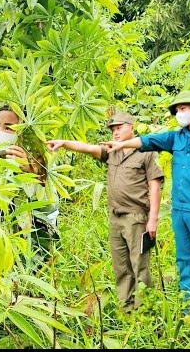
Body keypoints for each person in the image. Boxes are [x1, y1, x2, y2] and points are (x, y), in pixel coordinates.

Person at [104, 90, 190, 314]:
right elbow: (148, 141)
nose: (179, 113)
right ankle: (189, 310)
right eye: (177, 110)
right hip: (180, 210)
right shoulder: (177, 137)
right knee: (185, 261)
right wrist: (120, 146)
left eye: (183, 108)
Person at [47, 112, 164, 312]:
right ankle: (127, 309)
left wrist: (152, 219)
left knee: (140, 266)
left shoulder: (146, 152)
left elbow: (155, 186)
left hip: (137, 217)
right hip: (116, 218)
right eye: (113, 129)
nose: (115, 132)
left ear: (131, 127)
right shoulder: (112, 152)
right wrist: (64, 142)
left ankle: (146, 312)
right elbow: (88, 148)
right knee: (121, 267)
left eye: (119, 128)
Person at [0, 105, 56, 265]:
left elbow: (50, 208)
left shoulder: (40, 157)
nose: (0, 132)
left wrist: (30, 174)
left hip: (35, 228)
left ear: (23, 133)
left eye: (9, 128)